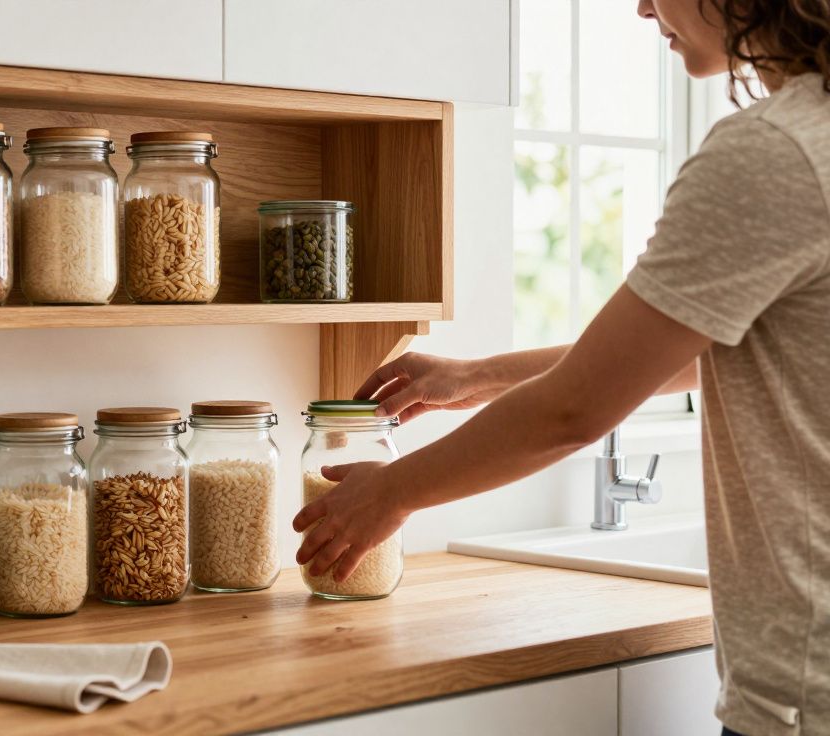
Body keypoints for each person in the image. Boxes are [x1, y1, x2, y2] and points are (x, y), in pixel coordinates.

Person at [292, 2, 830, 734]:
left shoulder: (770, 155)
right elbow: (696, 351)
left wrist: (391, 494)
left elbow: (574, 410)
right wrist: (476, 376)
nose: (641, 5)